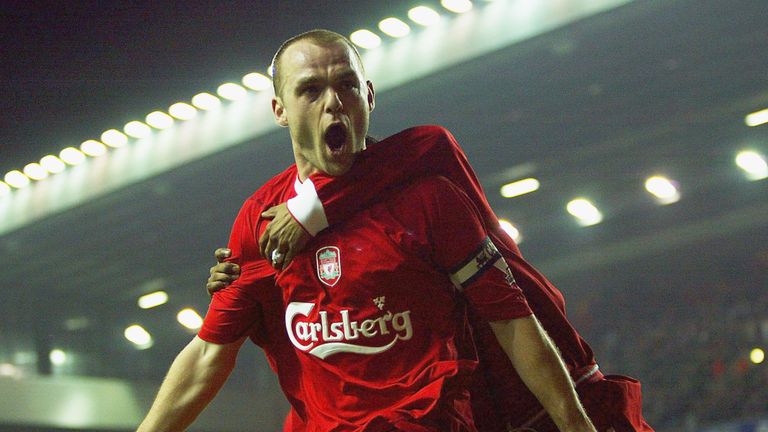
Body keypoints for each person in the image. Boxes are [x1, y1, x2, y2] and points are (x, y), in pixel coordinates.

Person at [138, 29, 597, 432]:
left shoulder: (428, 199)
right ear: (280, 109)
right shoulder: (260, 220)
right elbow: (208, 355)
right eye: (311, 90)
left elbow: (511, 320)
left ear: (369, 96)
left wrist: (576, 424)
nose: (333, 102)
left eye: (346, 85)